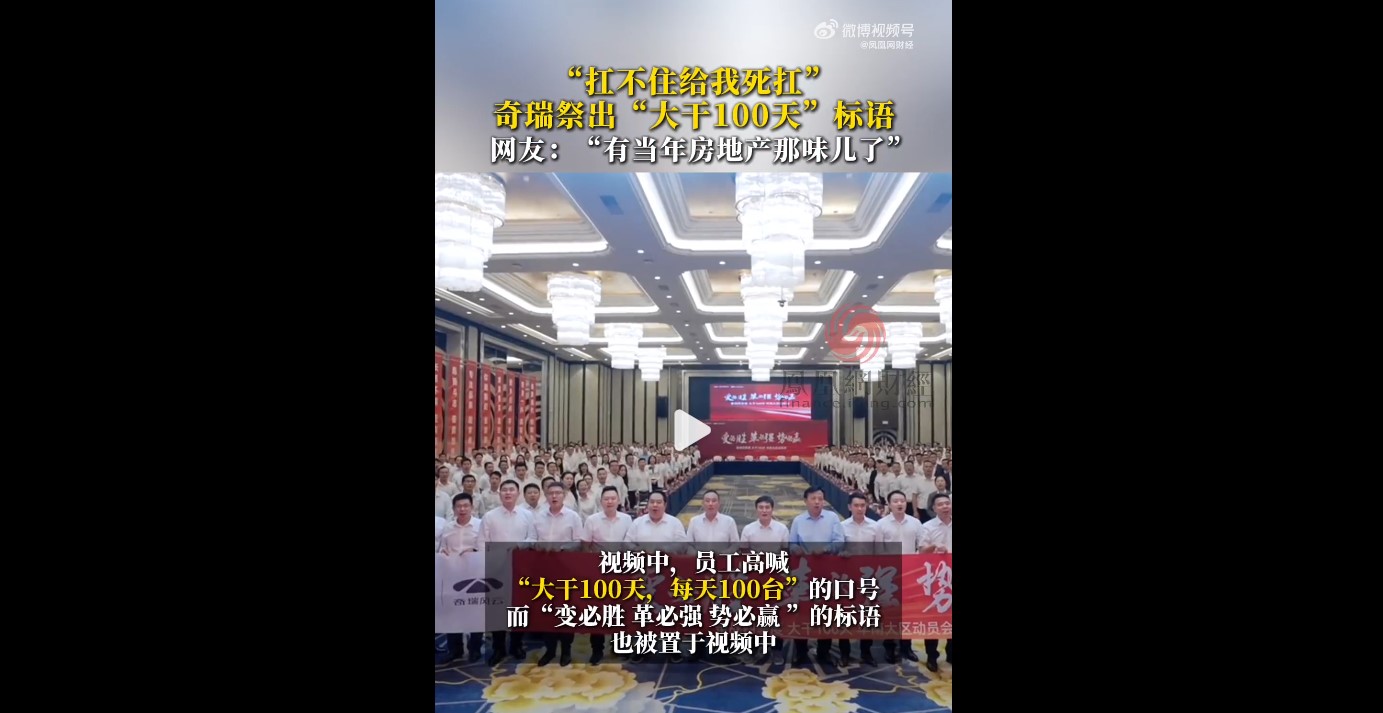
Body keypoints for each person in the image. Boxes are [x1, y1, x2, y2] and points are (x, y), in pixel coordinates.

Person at [479, 480, 537, 666]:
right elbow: (482, 542)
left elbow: (533, 538)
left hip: (520, 567)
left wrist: (518, 545)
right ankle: (498, 647)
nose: (508, 493)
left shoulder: (527, 515)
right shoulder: (490, 516)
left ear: (518, 494)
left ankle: (516, 644)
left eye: (512, 490)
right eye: (504, 490)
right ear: (500, 494)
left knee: (519, 606)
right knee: (497, 607)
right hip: (496, 568)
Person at [788, 486, 845, 667]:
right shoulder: (798, 520)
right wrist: (796, 549)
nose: (817, 502)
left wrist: (826, 549)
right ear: (806, 501)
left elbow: (839, 542)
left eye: (820, 498)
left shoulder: (832, 518)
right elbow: (791, 544)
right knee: (802, 613)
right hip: (804, 573)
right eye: (813, 498)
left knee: (825, 613)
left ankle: (823, 653)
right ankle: (801, 652)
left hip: (827, 571)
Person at [534, 482, 585, 666]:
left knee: (565, 610)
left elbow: (579, 542)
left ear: (564, 495)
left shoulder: (573, 517)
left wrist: (561, 548)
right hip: (544, 569)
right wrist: (539, 546)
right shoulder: (538, 517)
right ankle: (549, 650)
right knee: (547, 610)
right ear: (546, 496)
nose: (554, 496)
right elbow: (532, 539)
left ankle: (566, 650)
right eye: (551, 493)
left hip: (565, 569)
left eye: (558, 493)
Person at [583, 485, 633, 664]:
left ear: (618, 500)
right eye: (606, 499)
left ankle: (619, 645)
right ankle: (597, 649)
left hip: (621, 570)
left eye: (613, 498)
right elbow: (585, 544)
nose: (610, 501)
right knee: (597, 610)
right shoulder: (592, 520)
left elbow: (631, 543)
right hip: (598, 570)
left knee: (620, 609)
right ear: (601, 501)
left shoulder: (627, 519)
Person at [876, 490, 925, 663]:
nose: (899, 504)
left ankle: (906, 647)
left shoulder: (915, 523)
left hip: (910, 573)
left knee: (908, 612)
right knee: (890, 611)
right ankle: (889, 647)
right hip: (889, 574)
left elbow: (921, 545)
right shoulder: (881, 524)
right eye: (895, 501)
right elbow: (878, 550)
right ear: (889, 504)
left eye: (902, 501)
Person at [439, 493, 486, 662]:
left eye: (466, 506)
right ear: (453, 509)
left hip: (474, 575)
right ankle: (455, 649)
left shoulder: (480, 525)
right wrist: (443, 552)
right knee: (452, 612)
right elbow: (442, 548)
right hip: (452, 575)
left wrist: (474, 552)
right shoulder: (448, 527)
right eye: (459, 506)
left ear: (472, 507)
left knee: (475, 611)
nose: (462, 509)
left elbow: (484, 548)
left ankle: (475, 648)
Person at [839, 492, 881, 666]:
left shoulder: (875, 526)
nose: (859, 509)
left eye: (863, 505)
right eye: (856, 505)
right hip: (847, 576)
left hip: (869, 577)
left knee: (867, 614)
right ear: (849, 507)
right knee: (845, 614)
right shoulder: (842, 527)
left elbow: (879, 553)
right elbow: (837, 551)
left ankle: (866, 652)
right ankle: (844, 653)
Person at [919, 492, 953, 671]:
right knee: (933, 617)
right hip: (935, 578)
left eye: (947, 503)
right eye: (940, 504)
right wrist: (934, 547)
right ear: (933, 508)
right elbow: (921, 551)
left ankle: (951, 652)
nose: (945, 506)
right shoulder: (927, 527)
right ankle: (932, 656)